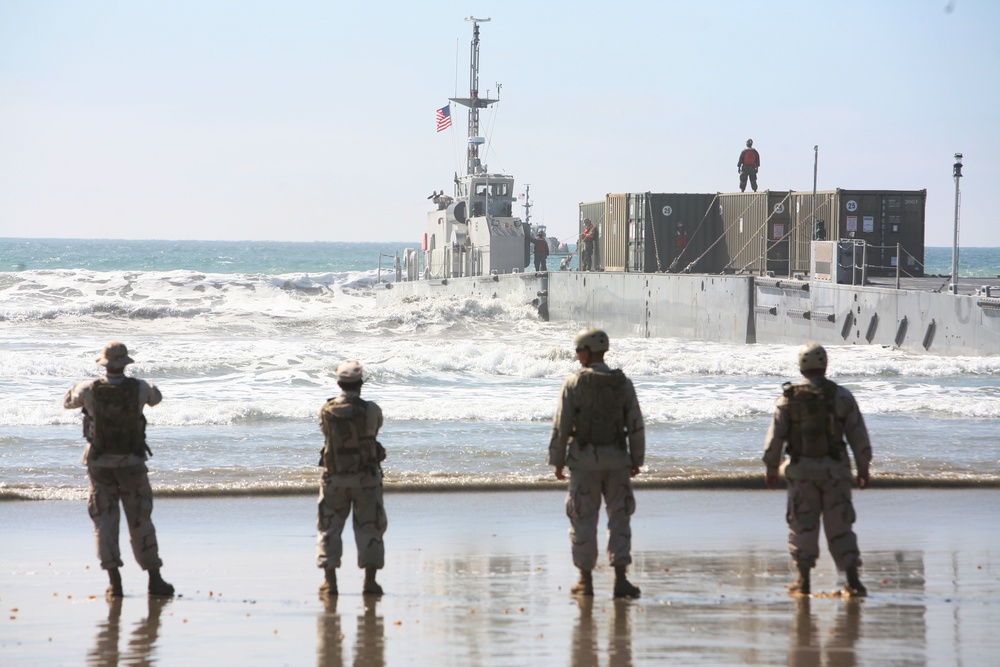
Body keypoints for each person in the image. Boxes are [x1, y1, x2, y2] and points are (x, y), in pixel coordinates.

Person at [63, 341, 174, 598]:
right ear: (125, 363)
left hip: (99, 464)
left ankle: (116, 584)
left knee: (105, 520)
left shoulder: (88, 388)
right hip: (132, 463)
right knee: (140, 519)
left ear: (103, 363)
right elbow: (156, 399)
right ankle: (154, 580)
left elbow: (67, 402)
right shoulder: (140, 387)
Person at [763, 343, 872, 597]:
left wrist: (771, 469)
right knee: (840, 526)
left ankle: (803, 581)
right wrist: (863, 468)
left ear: (801, 366)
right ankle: (853, 581)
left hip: (802, 473)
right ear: (825, 365)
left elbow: (774, 441)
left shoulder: (787, 399)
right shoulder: (842, 396)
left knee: (802, 526)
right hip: (836, 472)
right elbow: (858, 436)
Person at [549, 328, 645, 599]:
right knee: (620, 519)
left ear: (588, 352)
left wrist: (557, 461)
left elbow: (561, 425)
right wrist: (636, 459)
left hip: (584, 463)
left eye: (579, 350)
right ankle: (620, 580)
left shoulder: (573, 383)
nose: (577, 355)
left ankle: (585, 581)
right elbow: (636, 424)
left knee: (582, 519)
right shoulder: (622, 383)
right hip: (617, 461)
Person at [317, 360, 387, 597]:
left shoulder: (326, 410)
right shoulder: (372, 410)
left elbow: (325, 434)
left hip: (334, 478)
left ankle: (330, 583)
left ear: (339, 384)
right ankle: (370, 582)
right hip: (366, 478)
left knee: (329, 528)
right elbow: (375, 430)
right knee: (370, 528)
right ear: (361, 385)